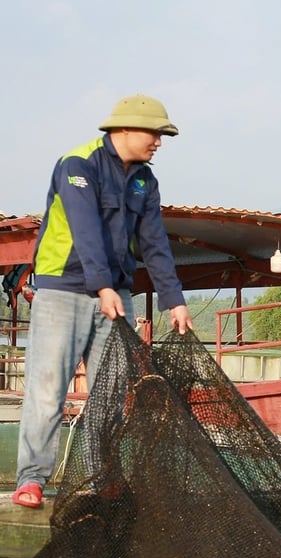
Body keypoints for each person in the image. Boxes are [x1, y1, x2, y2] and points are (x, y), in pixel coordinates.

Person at [11, 94, 194, 509]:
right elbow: (85, 229)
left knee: (110, 392)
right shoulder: (78, 165)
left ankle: (95, 479)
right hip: (63, 290)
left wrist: (174, 299)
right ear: (125, 129)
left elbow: (154, 242)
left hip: (116, 293)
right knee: (47, 388)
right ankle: (32, 479)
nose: (159, 143)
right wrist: (101, 286)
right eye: (156, 133)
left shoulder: (145, 180)